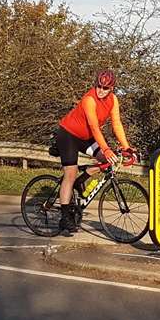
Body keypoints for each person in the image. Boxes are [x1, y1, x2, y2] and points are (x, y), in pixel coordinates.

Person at [53, 69, 137, 235]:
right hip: (68, 135)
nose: (101, 90)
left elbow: (117, 124)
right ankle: (64, 217)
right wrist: (105, 148)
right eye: (99, 86)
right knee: (70, 173)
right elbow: (93, 127)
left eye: (105, 88)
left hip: (86, 138)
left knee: (107, 163)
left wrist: (126, 147)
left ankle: (80, 181)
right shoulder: (89, 99)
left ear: (111, 89)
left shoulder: (113, 100)